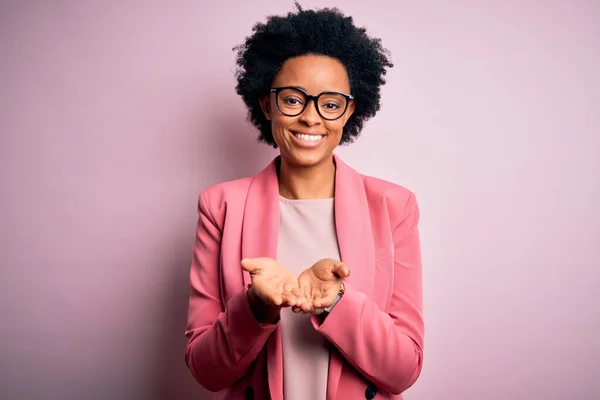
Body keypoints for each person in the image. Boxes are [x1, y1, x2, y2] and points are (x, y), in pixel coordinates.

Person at [184, 4, 424, 399]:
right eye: (293, 99)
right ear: (267, 105)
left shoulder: (393, 207)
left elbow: (403, 369)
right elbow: (207, 372)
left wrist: (337, 304)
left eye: (330, 104)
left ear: (349, 111)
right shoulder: (220, 207)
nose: (311, 118)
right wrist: (256, 308)